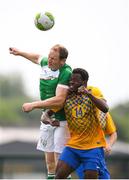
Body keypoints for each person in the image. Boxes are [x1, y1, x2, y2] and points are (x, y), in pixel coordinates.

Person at [9, 44, 72, 179]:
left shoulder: (66, 72)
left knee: (60, 164)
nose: (49, 60)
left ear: (62, 61)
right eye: (49, 57)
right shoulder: (46, 63)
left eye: (53, 59)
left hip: (61, 121)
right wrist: (20, 52)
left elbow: (60, 100)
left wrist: (34, 105)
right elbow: (37, 57)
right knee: (50, 164)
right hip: (47, 118)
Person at [54, 68, 111, 179]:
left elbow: (105, 108)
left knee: (91, 177)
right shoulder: (67, 96)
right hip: (74, 146)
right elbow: (50, 111)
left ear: (84, 82)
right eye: (70, 80)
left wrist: (88, 94)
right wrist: (47, 118)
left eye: (75, 81)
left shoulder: (93, 92)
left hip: (93, 147)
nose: (71, 82)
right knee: (59, 175)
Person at [76, 112, 117, 179]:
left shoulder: (103, 112)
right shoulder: (78, 112)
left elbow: (113, 133)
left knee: (105, 177)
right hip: (81, 152)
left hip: (99, 153)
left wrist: (109, 145)